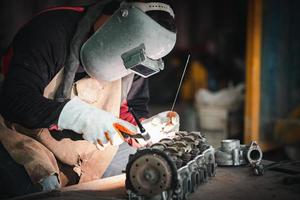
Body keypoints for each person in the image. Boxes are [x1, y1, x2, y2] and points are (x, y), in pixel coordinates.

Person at [0, 0, 176, 197]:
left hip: (89, 147)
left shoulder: (134, 57)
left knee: (142, 164)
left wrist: (143, 128)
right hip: (22, 134)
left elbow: (132, 106)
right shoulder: (50, 31)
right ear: (118, 19)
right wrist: (81, 118)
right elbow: (14, 99)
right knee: (43, 190)